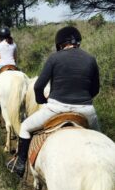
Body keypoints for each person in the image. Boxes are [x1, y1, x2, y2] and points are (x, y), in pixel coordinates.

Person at [6, 26, 100, 178]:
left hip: (56, 109)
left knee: (24, 127)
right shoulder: (90, 59)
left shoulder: (54, 58)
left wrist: (42, 100)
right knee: (101, 141)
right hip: (86, 111)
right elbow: (95, 89)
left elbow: (38, 86)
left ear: (60, 44)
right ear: (78, 42)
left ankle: (20, 164)